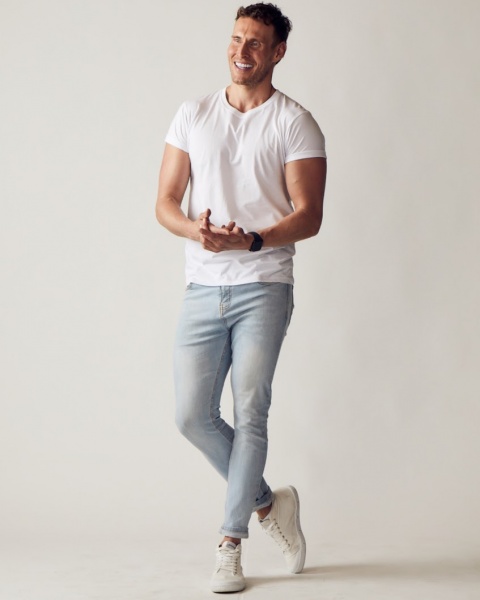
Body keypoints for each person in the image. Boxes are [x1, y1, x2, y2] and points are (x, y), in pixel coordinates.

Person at [156, 2, 326, 593]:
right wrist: (196, 231)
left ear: (278, 52)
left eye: (255, 42)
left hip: (264, 285)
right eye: (235, 39)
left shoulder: (295, 123)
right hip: (203, 286)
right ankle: (268, 502)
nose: (241, 51)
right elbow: (165, 202)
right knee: (191, 416)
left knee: (251, 411)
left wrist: (251, 240)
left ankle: (230, 543)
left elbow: (309, 216)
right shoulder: (193, 114)